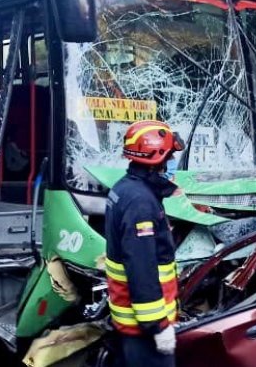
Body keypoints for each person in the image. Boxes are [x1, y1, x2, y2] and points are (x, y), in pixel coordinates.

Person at [105, 120, 185, 367]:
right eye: (171, 156)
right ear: (156, 156)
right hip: (144, 330)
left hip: (130, 323)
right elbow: (142, 268)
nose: (173, 162)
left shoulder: (126, 188)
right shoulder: (140, 203)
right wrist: (158, 327)